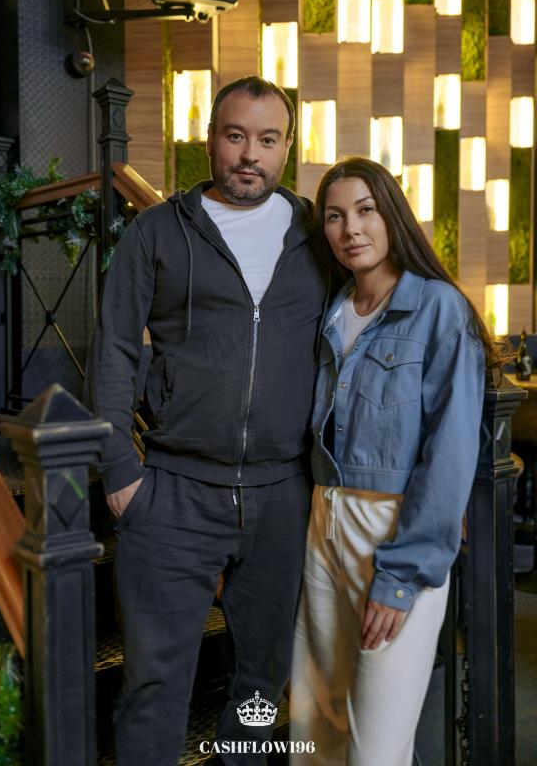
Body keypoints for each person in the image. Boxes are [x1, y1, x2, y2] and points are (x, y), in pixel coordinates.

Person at [84, 76, 327, 765]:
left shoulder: (317, 233)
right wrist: (120, 473)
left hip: (283, 494)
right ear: (210, 138)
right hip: (174, 493)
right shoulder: (158, 231)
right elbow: (114, 349)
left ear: (287, 148)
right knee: (154, 684)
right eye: (235, 135)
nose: (250, 154)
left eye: (267, 139)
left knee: (261, 682)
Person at [289, 156, 495, 766]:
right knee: (314, 730)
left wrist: (403, 574)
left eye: (365, 211)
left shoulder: (439, 308)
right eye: (334, 217)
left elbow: (449, 455)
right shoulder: (332, 311)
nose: (350, 228)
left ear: (392, 216)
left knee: (375, 747)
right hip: (323, 524)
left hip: (395, 533)